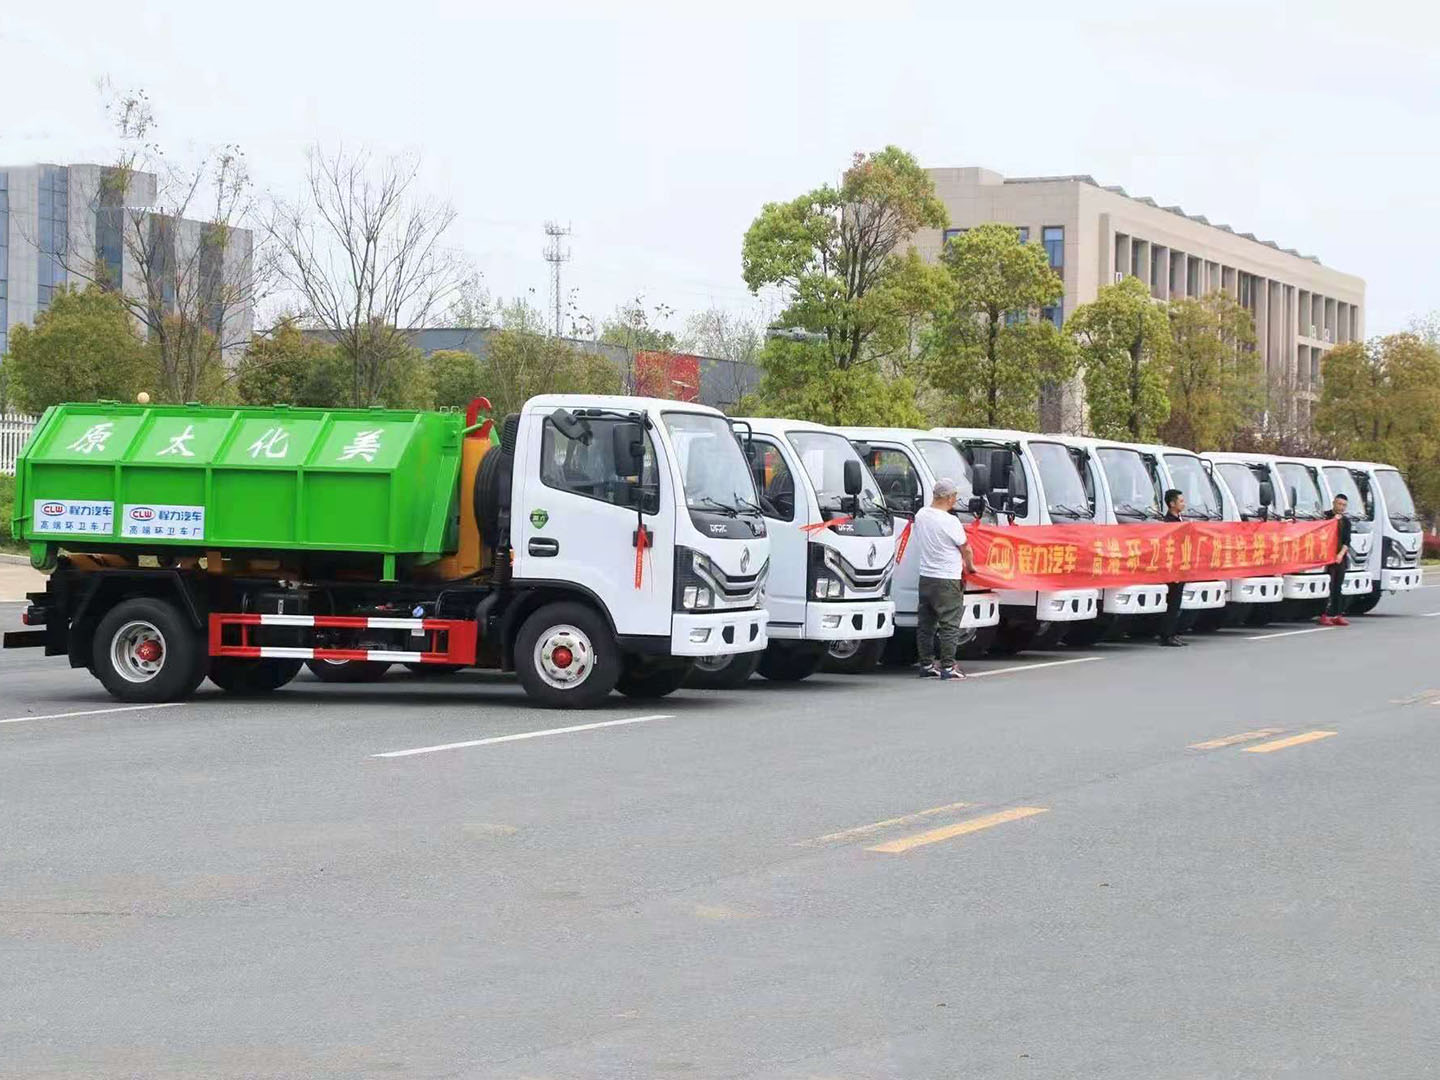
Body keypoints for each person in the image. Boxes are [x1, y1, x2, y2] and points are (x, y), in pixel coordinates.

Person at [914, 478, 977, 681]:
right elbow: (965, 548)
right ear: (949, 497)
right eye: (955, 496)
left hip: (926, 577)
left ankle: (926, 664)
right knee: (949, 624)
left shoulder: (921, 515)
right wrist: (971, 567)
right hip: (947, 578)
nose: (955, 500)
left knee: (926, 625)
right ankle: (948, 667)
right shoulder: (950, 521)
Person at [1157, 488, 1188, 647]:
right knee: (1172, 603)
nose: (1183, 504)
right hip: (1172, 568)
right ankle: (1167, 635)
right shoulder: (1169, 523)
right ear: (1172, 504)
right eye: (1180, 501)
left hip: (1180, 567)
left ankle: (1173, 633)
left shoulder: (1179, 521)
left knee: (1177, 603)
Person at [1319, 493, 1353, 627]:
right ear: (1334, 503)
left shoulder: (1346, 521)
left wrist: (1340, 555)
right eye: (1339, 504)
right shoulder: (1326, 517)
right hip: (1326, 557)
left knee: (1338, 586)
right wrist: (1333, 520)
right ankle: (1324, 615)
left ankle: (1337, 615)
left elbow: (1347, 541)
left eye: (1344, 505)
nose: (1341, 507)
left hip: (1339, 558)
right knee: (1328, 586)